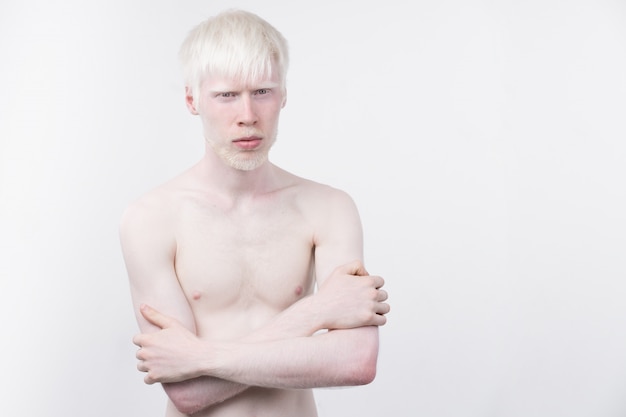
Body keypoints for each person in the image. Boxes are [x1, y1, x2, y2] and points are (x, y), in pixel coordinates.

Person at [119, 9, 390, 417]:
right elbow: (187, 393)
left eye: (262, 91)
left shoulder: (329, 208)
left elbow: (356, 361)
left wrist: (201, 357)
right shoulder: (150, 220)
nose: (248, 115)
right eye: (226, 95)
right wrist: (317, 311)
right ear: (193, 100)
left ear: (283, 95)